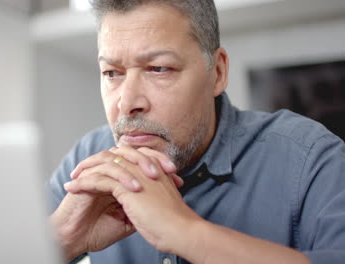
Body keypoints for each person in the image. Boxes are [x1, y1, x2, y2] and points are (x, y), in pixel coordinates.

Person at [47, 0, 345, 263]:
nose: (127, 103)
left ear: (217, 73)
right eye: (112, 73)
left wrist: (183, 231)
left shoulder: (311, 160)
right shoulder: (84, 163)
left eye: (158, 69)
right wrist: (63, 240)